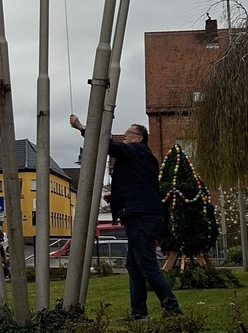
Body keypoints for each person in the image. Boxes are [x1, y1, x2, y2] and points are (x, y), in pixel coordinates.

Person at [69, 113, 183, 320]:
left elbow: (110, 146)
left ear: (139, 137)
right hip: (146, 213)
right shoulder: (144, 157)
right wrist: (116, 196)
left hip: (140, 216)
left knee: (147, 265)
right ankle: (139, 312)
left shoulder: (136, 151)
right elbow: (139, 185)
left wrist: (81, 127)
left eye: (129, 133)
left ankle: (172, 308)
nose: (125, 136)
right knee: (135, 266)